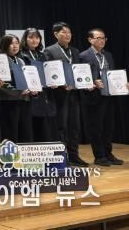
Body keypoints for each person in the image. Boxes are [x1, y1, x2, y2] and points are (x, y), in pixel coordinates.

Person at [44, 22, 88, 167]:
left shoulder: (75, 51)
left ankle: (74, 155)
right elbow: (48, 72)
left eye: (69, 32)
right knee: (61, 126)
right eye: (64, 32)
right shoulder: (49, 51)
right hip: (59, 95)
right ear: (56, 34)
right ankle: (62, 157)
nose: (67, 35)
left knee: (74, 126)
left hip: (74, 94)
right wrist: (60, 83)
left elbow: (79, 71)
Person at [79, 28, 123, 167]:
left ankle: (108, 154)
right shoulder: (83, 56)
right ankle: (99, 156)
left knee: (109, 127)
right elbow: (80, 76)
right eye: (98, 38)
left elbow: (112, 74)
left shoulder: (108, 55)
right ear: (90, 39)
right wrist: (93, 82)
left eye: (103, 38)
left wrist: (122, 83)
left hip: (109, 96)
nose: (102, 40)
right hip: (93, 97)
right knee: (96, 128)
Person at [19, 28, 57, 143]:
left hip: (43, 95)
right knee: (29, 127)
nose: (34, 40)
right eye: (31, 37)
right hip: (28, 96)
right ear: (25, 39)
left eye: (37, 37)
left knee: (44, 127)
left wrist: (52, 82)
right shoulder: (21, 55)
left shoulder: (42, 55)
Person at [0, 34, 34, 143]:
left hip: (24, 100)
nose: (15, 46)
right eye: (11, 43)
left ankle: (23, 154)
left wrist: (31, 89)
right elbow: (1, 83)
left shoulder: (21, 61)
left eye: (17, 43)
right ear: (5, 45)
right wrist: (18, 92)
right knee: (10, 133)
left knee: (25, 132)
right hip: (8, 101)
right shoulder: (0, 60)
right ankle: (11, 154)